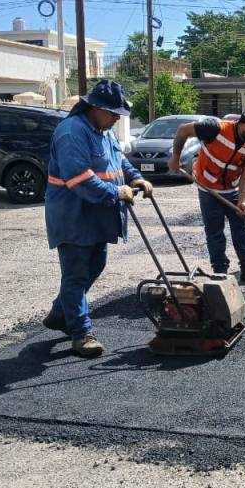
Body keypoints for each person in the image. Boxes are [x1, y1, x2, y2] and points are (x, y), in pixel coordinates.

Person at [42, 80, 153, 357]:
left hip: (97, 214)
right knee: (77, 274)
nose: (117, 118)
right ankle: (81, 333)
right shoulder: (72, 132)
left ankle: (60, 313)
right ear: (95, 107)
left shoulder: (104, 131)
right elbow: (78, 177)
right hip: (73, 215)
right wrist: (117, 191)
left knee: (95, 265)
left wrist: (136, 178)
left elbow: (119, 161)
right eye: (113, 112)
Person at [169, 110, 245, 282]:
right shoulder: (215, 128)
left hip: (231, 189)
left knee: (241, 227)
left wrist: (242, 200)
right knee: (215, 231)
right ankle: (220, 270)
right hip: (207, 187)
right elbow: (182, 130)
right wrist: (175, 158)